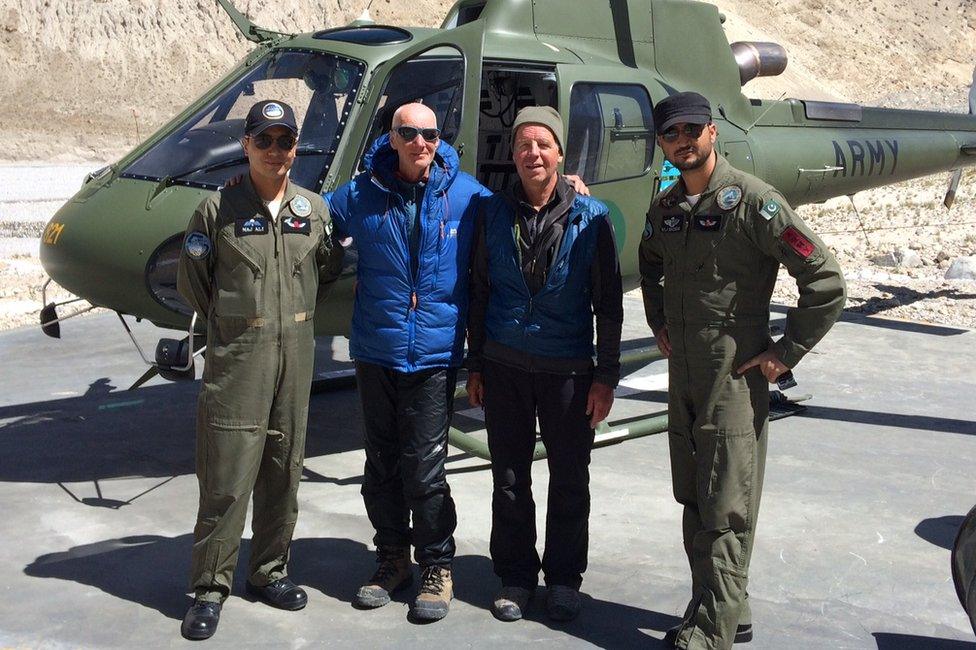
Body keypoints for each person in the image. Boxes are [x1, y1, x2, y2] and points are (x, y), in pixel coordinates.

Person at [638, 92, 846, 649]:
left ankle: (710, 633)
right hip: (683, 375)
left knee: (725, 506)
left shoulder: (755, 203)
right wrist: (657, 318)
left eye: (690, 129)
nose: (681, 140)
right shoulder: (666, 209)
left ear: (711, 133)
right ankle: (729, 607)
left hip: (732, 381)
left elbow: (825, 282)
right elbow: (649, 262)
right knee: (694, 497)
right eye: (669, 133)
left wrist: (785, 352)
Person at [176, 99, 343, 640]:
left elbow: (326, 269)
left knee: (283, 465)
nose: (276, 151)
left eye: (285, 141)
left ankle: (269, 570)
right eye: (264, 140)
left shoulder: (312, 210)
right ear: (246, 145)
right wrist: (237, 325)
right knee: (226, 473)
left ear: (296, 147)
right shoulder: (215, 211)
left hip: (295, 354)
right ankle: (208, 588)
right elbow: (194, 284)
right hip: (239, 358)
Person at [324, 102, 490, 621]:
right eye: (409, 133)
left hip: (435, 356)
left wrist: (572, 192)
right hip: (376, 353)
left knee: (424, 470)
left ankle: (437, 565)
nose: (421, 142)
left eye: (430, 133)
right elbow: (308, 214)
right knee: (381, 465)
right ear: (391, 138)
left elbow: (521, 211)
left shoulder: (466, 195)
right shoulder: (360, 194)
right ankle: (392, 557)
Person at [466, 106, 623, 623]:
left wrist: (606, 376)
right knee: (509, 476)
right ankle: (515, 575)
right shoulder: (492, 213)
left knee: (570, 477)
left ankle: (562, 578)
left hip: (569, 371)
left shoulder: (591, 218)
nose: (533, 153)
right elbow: (480, 292)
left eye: (543, 144)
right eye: (523, 145)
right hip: (505, 365)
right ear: (513, 155)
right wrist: (476, 364)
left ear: (559, 153)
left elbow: (609, 302)